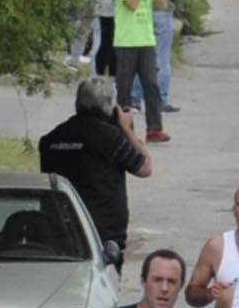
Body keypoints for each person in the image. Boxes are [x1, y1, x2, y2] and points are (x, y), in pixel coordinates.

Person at [39, 77, 154, 261]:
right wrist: (127, 129)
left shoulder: (51, 139)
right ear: (110, 106)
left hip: (59, 226)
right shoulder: (110, 138)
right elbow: (145, 168)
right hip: (103, 231)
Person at [111, 0, 170, 143]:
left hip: (146, 40)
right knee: (124, 88)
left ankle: (154, 128)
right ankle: (125, 129)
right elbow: (132, 5)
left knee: (151, 85)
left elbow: (162, 5)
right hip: (126, 42)